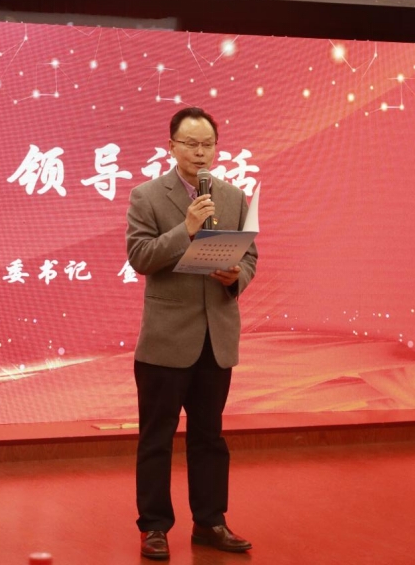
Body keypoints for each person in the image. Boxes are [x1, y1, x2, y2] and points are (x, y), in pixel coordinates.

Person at [126, 107, 258, 560]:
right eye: (191, 144)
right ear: (172, 147)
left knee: (209, 437)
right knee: (156, 438)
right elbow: (140, 256)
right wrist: (186, 229)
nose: (200, 153)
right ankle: (154, 527)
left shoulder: (233, 196)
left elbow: (250, 255)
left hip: (216, 338)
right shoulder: (147, 196)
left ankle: (210, 521)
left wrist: (236, 275)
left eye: (207, 144)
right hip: (165, 340)